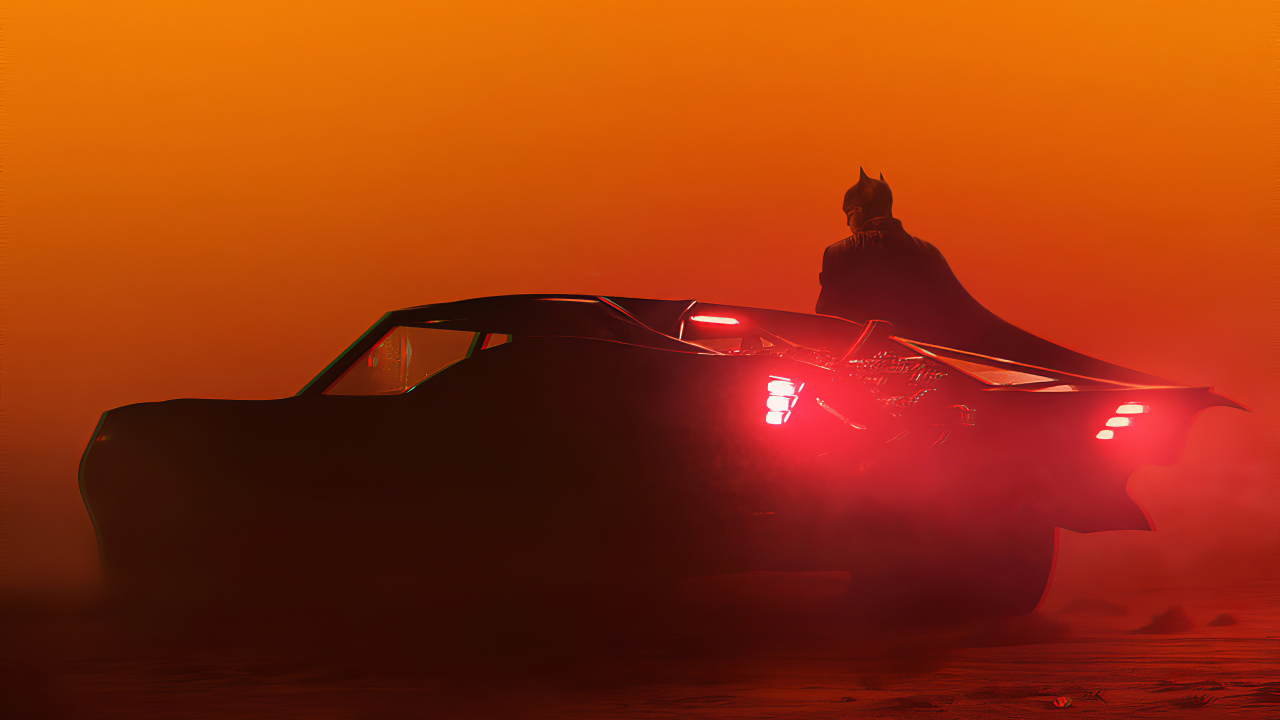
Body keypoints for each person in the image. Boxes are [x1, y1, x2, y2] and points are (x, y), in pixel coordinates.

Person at [816, 169, 1162, 383]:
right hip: (936, 371)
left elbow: (827, 318)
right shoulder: (927, 251)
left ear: (857, 212)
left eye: (849, 214)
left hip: (866, 374)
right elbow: (956, 313)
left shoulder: (840, 252)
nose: (848, 222)